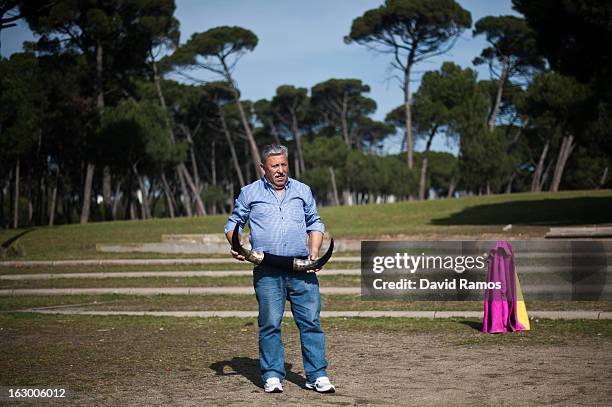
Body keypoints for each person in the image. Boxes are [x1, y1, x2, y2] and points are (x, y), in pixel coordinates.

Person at [224, 144, 335, 394]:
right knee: (270, 324)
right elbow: (233, 224)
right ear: (263, 168)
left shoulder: (302, 190)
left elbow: (315, 223)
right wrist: (236, 244)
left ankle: (317, 375)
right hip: (266, 270)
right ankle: (272, 375)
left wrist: (314, 252)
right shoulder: (249, 192)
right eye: (275, 166)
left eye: (284, 165)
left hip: (302, 269)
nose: (281, 170)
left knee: (311, 323)